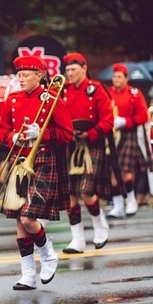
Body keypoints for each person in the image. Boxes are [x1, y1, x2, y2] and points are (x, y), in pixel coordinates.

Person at [0, 56, 73, 290]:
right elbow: (1, 130)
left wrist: (42, 134)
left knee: (28, 218)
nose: (21, 79)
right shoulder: (11, 100)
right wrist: (13, 137)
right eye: (18, 75)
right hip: (19, 160)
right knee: (20, 222)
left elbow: (67, 133)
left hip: (43, 159)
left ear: (39, 76)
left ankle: (48, 254)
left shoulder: (51, 98)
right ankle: (27, 274)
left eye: (26, 75)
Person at [61, 52, 114, 253]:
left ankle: (100, 226)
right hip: (71, 144)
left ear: (84, 68)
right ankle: (77, 239)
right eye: (67, 70)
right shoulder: (63, 91)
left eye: (74, 69)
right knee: (70, 196)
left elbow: (108, 120)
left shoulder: (96, 90)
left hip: (92, 144)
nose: (70, 73)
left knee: (86, 191)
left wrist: (90, 133)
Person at [106, 63, 150, 219]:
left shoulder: (134, 93)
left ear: (126, 78)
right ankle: (118, 207)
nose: (116, 79)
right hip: (112, 136)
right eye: (114, 76)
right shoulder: (108, 93)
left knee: (127, 174)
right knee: (113, 173)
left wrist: (125, 121)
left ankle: (131, 200)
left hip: (129, 133)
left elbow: (144, 116)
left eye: (119, 77)